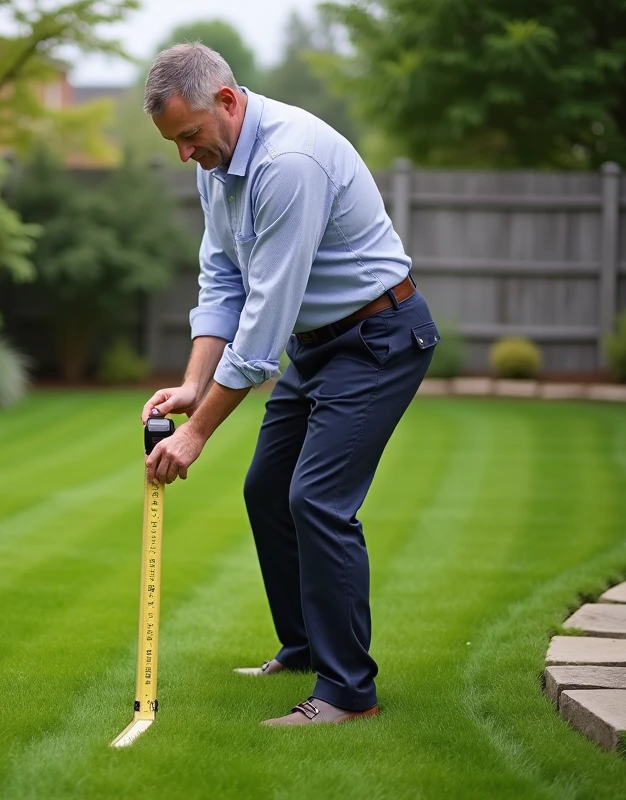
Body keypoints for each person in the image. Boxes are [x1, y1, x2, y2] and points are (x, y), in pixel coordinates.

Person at [139, 43, 440, 727]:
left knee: (318, 500)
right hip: (321, 343)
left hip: (378, 338)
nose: (184, 154)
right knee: (267, 489)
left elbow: (264, 323)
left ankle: (347, 694)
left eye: (189, 136)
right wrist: (192, 385)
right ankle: (304, 647)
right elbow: (222, 281)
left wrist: (196, 433)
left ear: (228, 100)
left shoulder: (287, 164)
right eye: (173, 143)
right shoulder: (215, 165)